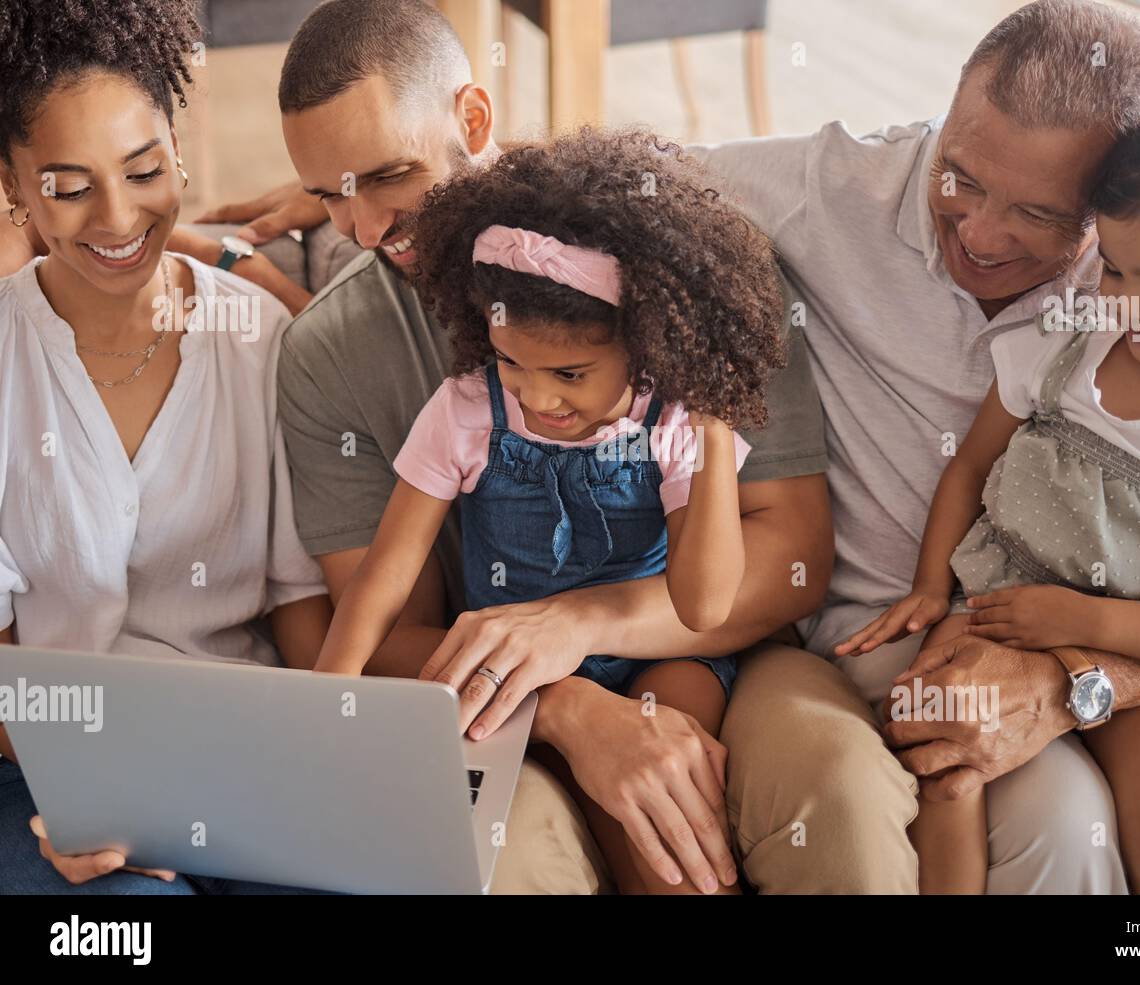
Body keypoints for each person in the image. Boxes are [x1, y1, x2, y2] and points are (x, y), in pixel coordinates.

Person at [215, 0, 916, 893]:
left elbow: (789, 563)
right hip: (493, 702)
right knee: (520, 863)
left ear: (472, 119)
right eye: (326, 196)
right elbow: (385, 623)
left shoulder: (685, 274)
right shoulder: (336, 355)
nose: (360, 230)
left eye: (389, 177)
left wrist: (579, 625)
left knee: (835, 802)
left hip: (713, 655)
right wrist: (565, 705)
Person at [689, 0, 1140, 891]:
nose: (977, 233)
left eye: (1038, 213)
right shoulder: (830, 187)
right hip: (932, 621)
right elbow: (630, 179)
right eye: (961, 177)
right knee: (1065, 831)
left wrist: (1074, 678)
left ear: (1107, 203)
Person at [840, 95, 1140, 894]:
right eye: (1115, 269)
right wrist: (928, 586)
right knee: (944, 770)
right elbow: (969, 466)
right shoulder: (1066, 341)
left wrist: (1084, 623)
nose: (1131, 307)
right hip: (994, 609)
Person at [317, 129, 790, 892]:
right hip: (516, 676)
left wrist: (709, 421)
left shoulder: (673, 420)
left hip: (659, 661)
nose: (537, 396)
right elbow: (383, 577)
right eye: (513, 361)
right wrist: (325, 703)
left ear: (646, 345)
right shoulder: (469, 406)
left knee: (664, 827)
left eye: (570, 372)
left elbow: (703, 605)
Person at [0, 0, 331, 893]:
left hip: (246, 748)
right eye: (68, 187)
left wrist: (336, 758)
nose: (117, 218)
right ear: (13, 185)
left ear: (177, 149)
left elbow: (301, 601)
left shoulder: (256, 337)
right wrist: (101, 779)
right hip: (41, 763)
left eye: (144, 170)